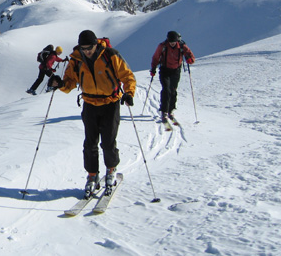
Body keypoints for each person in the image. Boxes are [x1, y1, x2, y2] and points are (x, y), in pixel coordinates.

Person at [51, 30, 136, 193]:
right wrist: (60, 84)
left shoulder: (110, 55)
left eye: (89, 47)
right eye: (83, 48)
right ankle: (92, 175)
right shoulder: (76, 60)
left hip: (110, 103)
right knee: (90, 143)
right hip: (89, 103)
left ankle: (111, 170)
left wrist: (129, 93)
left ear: (96, 44)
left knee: (108, 141)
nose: (87, 51)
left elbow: (127, 76)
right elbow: (69, 84)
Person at [150, 31, 195, 123]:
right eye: (170, 42)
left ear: (177, 40)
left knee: (173, 90)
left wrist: (190, 59)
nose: (172, 43)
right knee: (166, 89)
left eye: (173, 42)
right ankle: (164, 111)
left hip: (176, 70)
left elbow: (190, 55)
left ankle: (171, 110)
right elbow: (156, 57)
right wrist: (153, 68)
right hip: (164, 70)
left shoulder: (182, 46)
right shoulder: (162, 46)